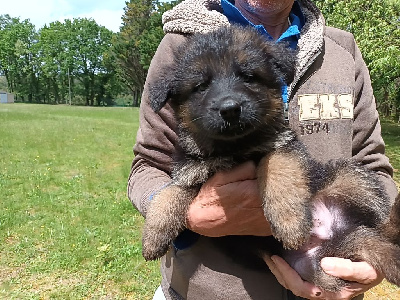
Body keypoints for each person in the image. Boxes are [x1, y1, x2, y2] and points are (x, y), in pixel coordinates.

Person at [127, 0, 399, 299]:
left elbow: (371, 163)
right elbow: (148, 163)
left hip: (332, 268)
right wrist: (187, 214)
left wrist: (374, 265)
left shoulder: (341, 50)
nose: (229, 101)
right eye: (201, 86)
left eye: (249, 77)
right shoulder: (179, 46)